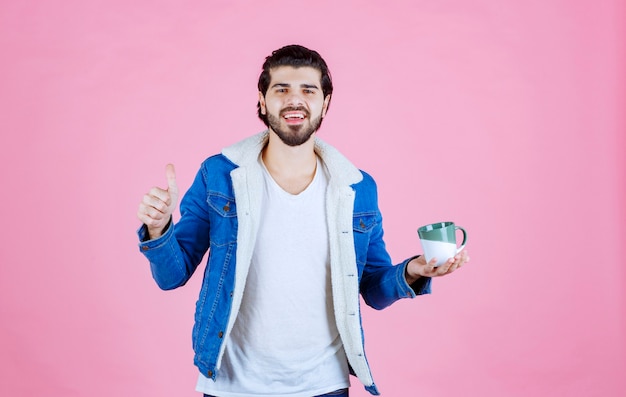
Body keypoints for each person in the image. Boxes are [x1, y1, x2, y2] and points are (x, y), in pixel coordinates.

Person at [136, 44, 469, 397]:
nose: (295, 100)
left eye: (308, 90)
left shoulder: (357, 188)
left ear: (325, 103)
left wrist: (414, 271)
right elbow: (171, 276)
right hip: (232, 387)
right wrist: (159, 228)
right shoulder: (218, 176)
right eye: (281, 89)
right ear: (262, 101)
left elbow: (372, 288)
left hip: (323, 385)